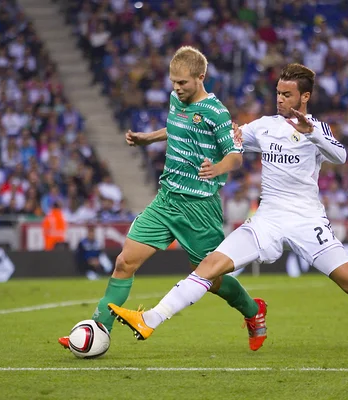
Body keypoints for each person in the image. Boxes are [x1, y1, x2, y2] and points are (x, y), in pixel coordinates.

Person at [109, 63, 348, 359]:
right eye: (278, 93)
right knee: (210, 266)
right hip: (267, 219)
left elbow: (340, 156)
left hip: (307, 220)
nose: (280, 99)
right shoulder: (264, 126)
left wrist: (312, 134)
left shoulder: (317, 129)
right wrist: (205, 149)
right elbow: (230, 141)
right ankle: (150, 318)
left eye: (287, 94)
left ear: (305, 97)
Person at [59, 47, 267, 351]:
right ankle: (98, 327)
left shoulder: (216, 112)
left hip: (199, 207)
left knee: (213, 280)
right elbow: (175, 128)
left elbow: (235, 156)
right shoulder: (176, 100)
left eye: (182, 83)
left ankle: (253, 311)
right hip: (166, 200)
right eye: (173, 82)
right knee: (124, 262)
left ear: (200, 77)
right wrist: (148, 137)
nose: (176, 88)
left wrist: (217, 167)